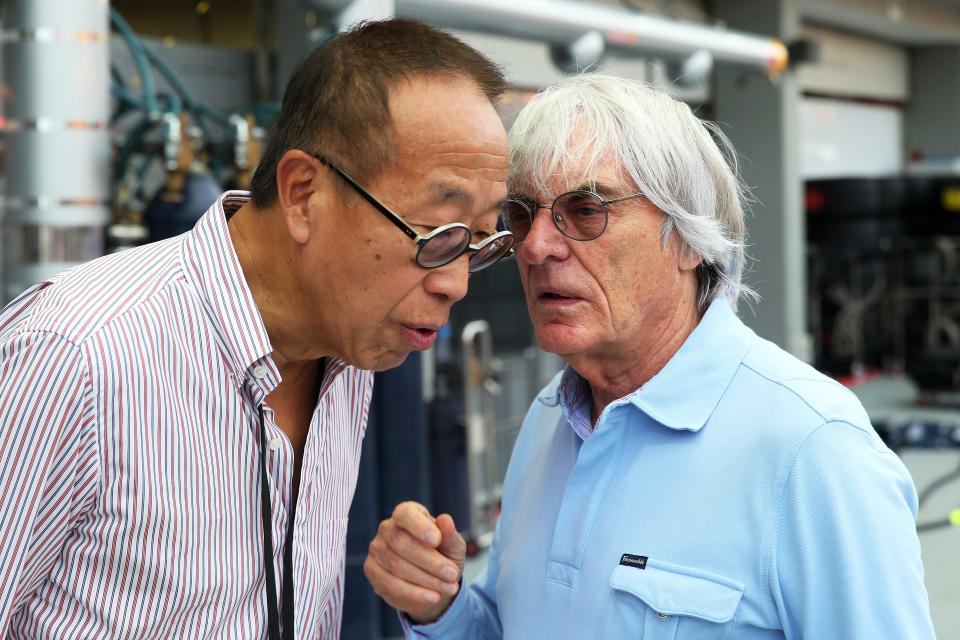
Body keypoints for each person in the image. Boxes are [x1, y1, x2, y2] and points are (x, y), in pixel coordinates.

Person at [364, 73, 936, 639]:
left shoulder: (813, 451)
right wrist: (442, 607)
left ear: (688, 238)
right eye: (522, 213)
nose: (536, 246)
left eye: (586, 210)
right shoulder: (550, 419)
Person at [0, 18, 512, 639]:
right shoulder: (72, 357)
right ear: (302, 194)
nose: (456, 282)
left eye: (482, 244)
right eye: (436, 237)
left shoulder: (349, 353)